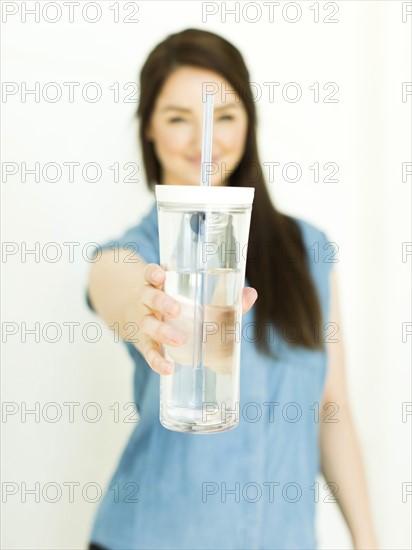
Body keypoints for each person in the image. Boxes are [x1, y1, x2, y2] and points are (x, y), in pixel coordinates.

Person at [86, 28, 378, 550]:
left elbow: (331, 410)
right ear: (149, 128)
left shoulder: (307, 251)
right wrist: (143, 305)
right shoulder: (137, 250)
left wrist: (367, 538)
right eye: (179, 118)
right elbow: (111, 280)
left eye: (225, 116)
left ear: (248, 123)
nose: (206, 138)